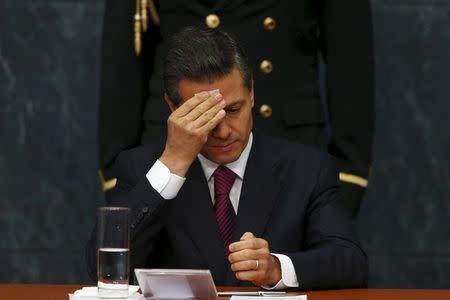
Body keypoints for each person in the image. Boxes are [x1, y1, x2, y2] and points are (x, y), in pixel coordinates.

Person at [87, 27, 367, 289]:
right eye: (204, 116)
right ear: (173, 107)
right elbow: (102, 268)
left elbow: (351, 262)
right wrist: (172, 163)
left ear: (252, 93)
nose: (222, 131)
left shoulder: (307, 169)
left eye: (233, 110)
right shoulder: (140, 168)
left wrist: (277, 268)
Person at [97, 0, 375, 218]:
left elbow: (350, 63)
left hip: (286, 143)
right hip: (175, 147)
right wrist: (118, 174)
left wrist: (348, 178)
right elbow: (123, 61)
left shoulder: (307, 172)